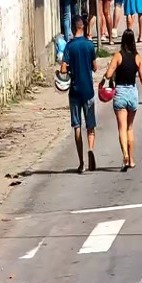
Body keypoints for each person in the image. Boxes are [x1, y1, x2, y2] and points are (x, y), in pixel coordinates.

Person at [102, 29, 142, 170]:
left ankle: (124, 154)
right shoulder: (138, 58)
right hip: (132, 92)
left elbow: (108, 74)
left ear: (123, 41)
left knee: (122, 128)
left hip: (120, 92)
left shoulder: (118, 56)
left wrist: (107, 71)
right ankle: (131, 160)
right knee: (130, 128)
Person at [60, 14, 98, 174]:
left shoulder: (69, 47)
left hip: (74, 91)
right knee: (90, 126)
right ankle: (91, 148)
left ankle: (81, 162)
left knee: (77, 126)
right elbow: (95, 67)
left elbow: (63, 69)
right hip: (88, 90)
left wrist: (67, 69)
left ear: (73, 28)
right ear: (83, 27)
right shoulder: (89, 45)